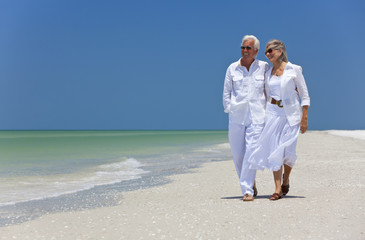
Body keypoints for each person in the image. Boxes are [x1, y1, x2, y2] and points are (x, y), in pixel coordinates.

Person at [248, 39, 310, 200]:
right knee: (276, 150)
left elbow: (304, 95)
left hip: (291, 115)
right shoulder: (267, 72)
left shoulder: (294, 70)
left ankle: (286, 179)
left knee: (288, 151)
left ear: (280, 51)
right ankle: (277, 189)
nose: (268, 54)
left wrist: (304, 117)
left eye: (270, 51)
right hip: (272, 113)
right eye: (266, 52)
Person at [223, 35, 269, 201]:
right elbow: (227, 91)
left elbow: (268, 91)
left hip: (257, 116)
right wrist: (229, 108)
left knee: (251, 152)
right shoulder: (232, 68)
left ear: (256, 50)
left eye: (248, 48)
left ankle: (247, 190)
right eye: (243, 47)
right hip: (237, 116)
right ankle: (249, 181)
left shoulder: (263, 67)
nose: (244, 50)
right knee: (238, 154)